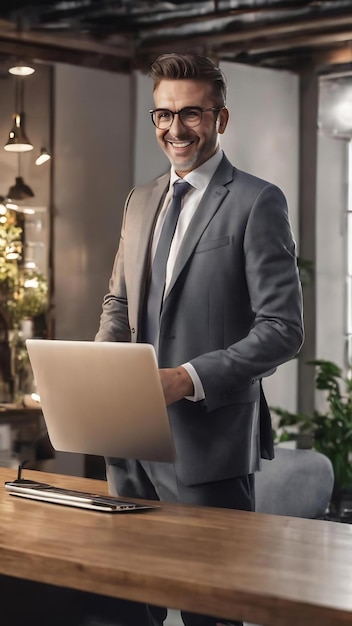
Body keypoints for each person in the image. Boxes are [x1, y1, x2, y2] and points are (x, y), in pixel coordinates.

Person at [95, 52, 304, 626]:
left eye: (191, 114)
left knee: (210, 615)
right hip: (129, 450)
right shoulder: (140, 201)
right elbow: (119, 307)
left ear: (221, 119)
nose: (175, 129)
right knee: (125, 610)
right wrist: (96, 375)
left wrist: (188, 378)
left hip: (209, 451)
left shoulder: (258, 201)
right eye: (163, 115)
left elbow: (282, 330)